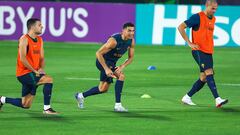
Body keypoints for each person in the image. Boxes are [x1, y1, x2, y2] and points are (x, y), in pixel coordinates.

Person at [0, 18, 58, 114]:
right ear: (32, 27)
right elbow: (23, 58)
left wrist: (41, 68)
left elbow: (42, 57)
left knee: (25, 104)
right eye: (39, 25)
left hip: (33, 73)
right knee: (48, 80)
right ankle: (47, 109)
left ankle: (2, 99)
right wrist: (35, 71)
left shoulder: (40, 40)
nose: (42, 26)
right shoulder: (24, 39)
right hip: (24, 74)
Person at [178, 0, 228, 107]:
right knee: (209, 72)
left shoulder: (213, 19)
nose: (214, 11)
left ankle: (187, 97)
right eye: (212, 8)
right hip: (199, 50)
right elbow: (181, 27)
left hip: (208, 51)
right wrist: (189, 43)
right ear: (206, 6)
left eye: (216, 9)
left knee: (204, 77)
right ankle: (217, 99)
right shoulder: (197, 17)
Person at [75, 22, 135, 112]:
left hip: (111, 64)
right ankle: (118, 105)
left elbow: (131, 58)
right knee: (121, 76)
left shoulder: (131, 41)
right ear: (123, 31)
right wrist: (106, 69)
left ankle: (80, 96)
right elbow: (98, 53)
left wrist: (122, 66)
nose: (131, 33)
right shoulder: (114, 41)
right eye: (129, 30)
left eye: (133, 31)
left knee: (102, 89)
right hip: (102, 62)